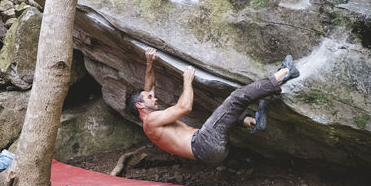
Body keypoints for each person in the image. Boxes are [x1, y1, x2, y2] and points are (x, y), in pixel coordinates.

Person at [126, 48, 299, 163]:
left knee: (221, 109)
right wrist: (187, 80)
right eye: (150, 97)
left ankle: (252, 121)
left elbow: (148, 88)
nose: (155, 98)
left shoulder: (149, 122)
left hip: (209, 151)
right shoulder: (151, 121)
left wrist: (150, 62)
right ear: (141, 106)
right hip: (204, 143)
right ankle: (285, 73)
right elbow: (184, 107)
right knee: (236, 98)